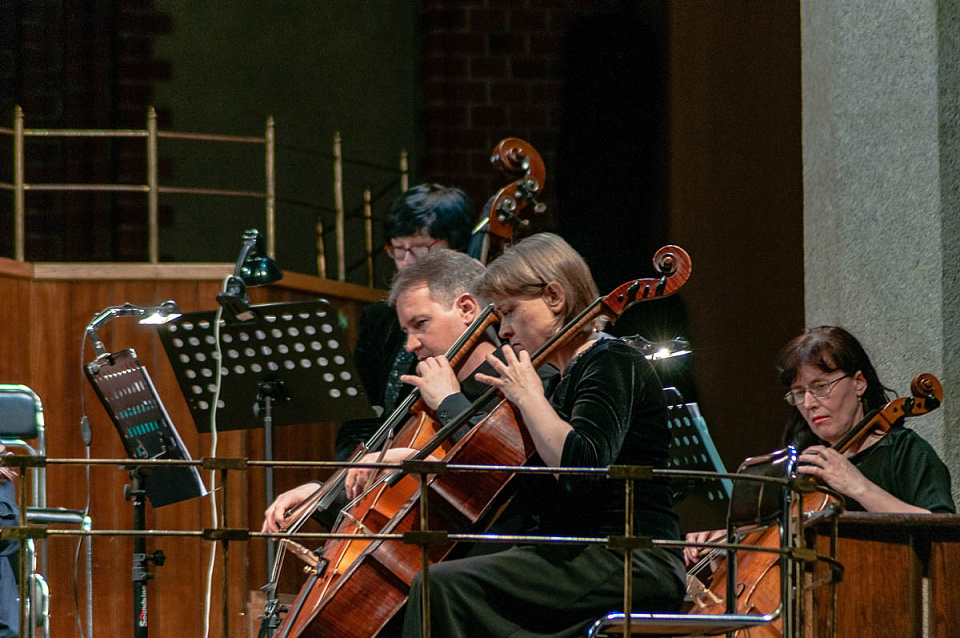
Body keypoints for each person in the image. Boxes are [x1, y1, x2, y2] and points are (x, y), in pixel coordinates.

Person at [401, 232, 685, 638]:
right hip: (578, 554)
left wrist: (528, 395)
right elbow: (525, 478)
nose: (506, 330)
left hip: (629, 557)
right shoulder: (563, 375)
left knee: (440, 585)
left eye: (511, 312)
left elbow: (581, 469)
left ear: (555, 297)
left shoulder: (612, 360)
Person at [264, 249, 495, 533]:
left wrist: (400, 454)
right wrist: (319, 494)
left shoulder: (513, 381)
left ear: (467, 309)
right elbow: (386, 503)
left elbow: (489, 467)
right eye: (405, 331)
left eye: (421, 324)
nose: (410, 345)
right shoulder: (425, 397)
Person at [684, 325, 954, 566]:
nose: (810, 403)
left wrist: (858, 487)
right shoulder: (802, 465)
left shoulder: (904, 451)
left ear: (859, 383)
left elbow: (943, 538)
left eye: (821, 386)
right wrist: (731, 546)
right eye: (800, 393)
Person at [335, 183, 475, 462]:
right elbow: (358, 417)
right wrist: (356, 464)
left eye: (421, 248)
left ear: (456, 246)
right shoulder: (379, 320)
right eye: (398, 250)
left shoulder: (485, 320)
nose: (407, 263)